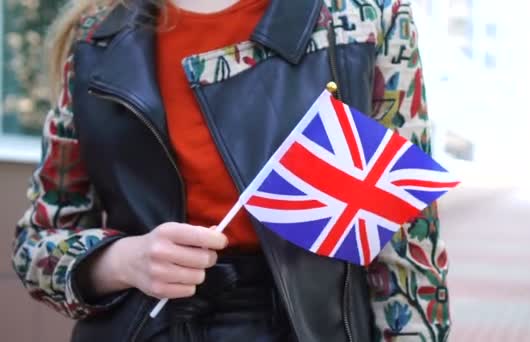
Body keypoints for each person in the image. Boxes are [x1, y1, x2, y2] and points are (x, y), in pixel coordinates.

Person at [11, 0, 451, 341]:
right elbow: (36, 245)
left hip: (311, 328)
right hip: (144, 326)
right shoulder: (95, 37)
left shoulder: (362, 18)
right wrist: (124, 261)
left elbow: (408, 243)